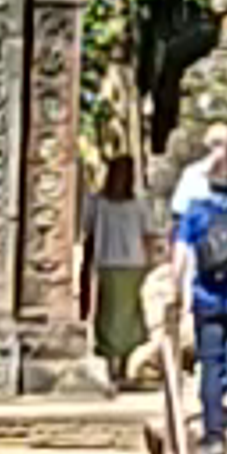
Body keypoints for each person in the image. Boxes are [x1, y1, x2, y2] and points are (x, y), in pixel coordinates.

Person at [170, 129, 227, 454]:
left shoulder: (196, 211)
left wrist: (175, 289)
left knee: (211, 364)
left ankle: (214, 435)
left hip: (206, 295)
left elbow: (180, 252)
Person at [80, 144, 153, 390]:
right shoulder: (98, 203)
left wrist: (150, 261)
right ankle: (112, 366)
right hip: (110, 263)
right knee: (110, 315)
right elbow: (88, 233)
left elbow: (148, 234)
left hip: (132, 264)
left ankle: (122, 366)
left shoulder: (139, 204)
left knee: (128, 316)